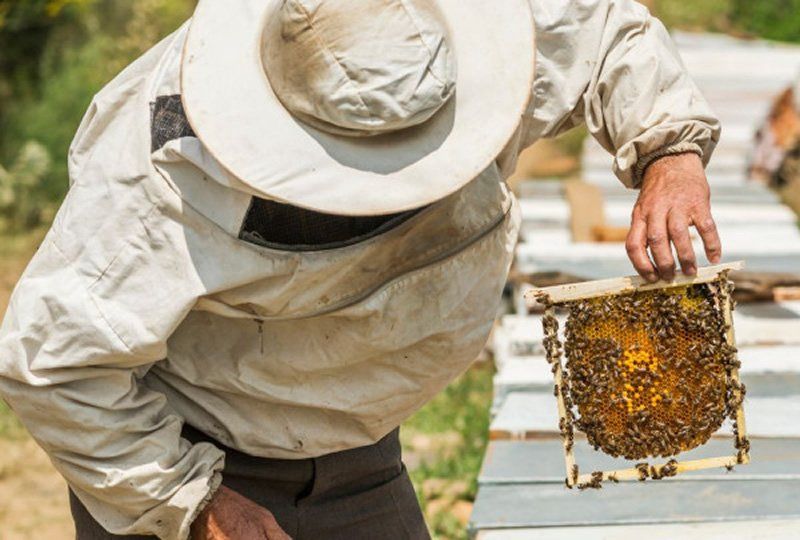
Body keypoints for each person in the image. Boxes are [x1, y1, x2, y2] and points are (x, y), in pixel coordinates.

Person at [0, 0, 722, 538]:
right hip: (194, 467)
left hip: (365, 462)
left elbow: (601, 34)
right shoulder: (154, 177)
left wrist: (670, 153)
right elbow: (52, 366)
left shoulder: (458, 28)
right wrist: (193, 504)